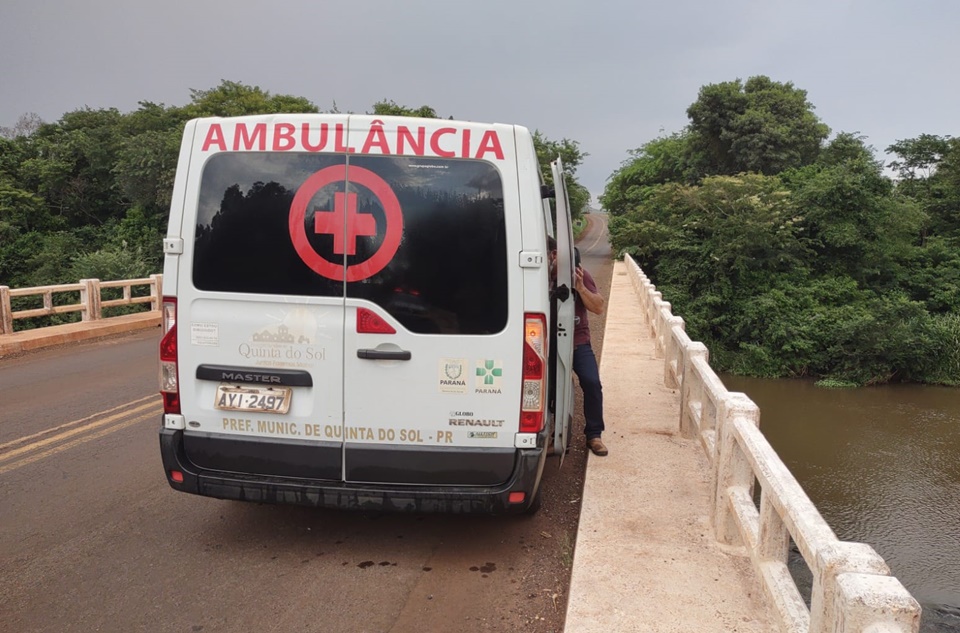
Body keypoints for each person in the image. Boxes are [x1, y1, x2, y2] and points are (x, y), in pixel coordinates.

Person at [547, 236, 608, 456]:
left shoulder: (578, 274)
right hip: (548, 345)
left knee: (591, 383)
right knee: (550, 389)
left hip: (577, 342)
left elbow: (599, 307)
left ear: (554, 254)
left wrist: (580, 288)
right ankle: (554, 432)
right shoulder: (537, 277)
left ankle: (594, 434)